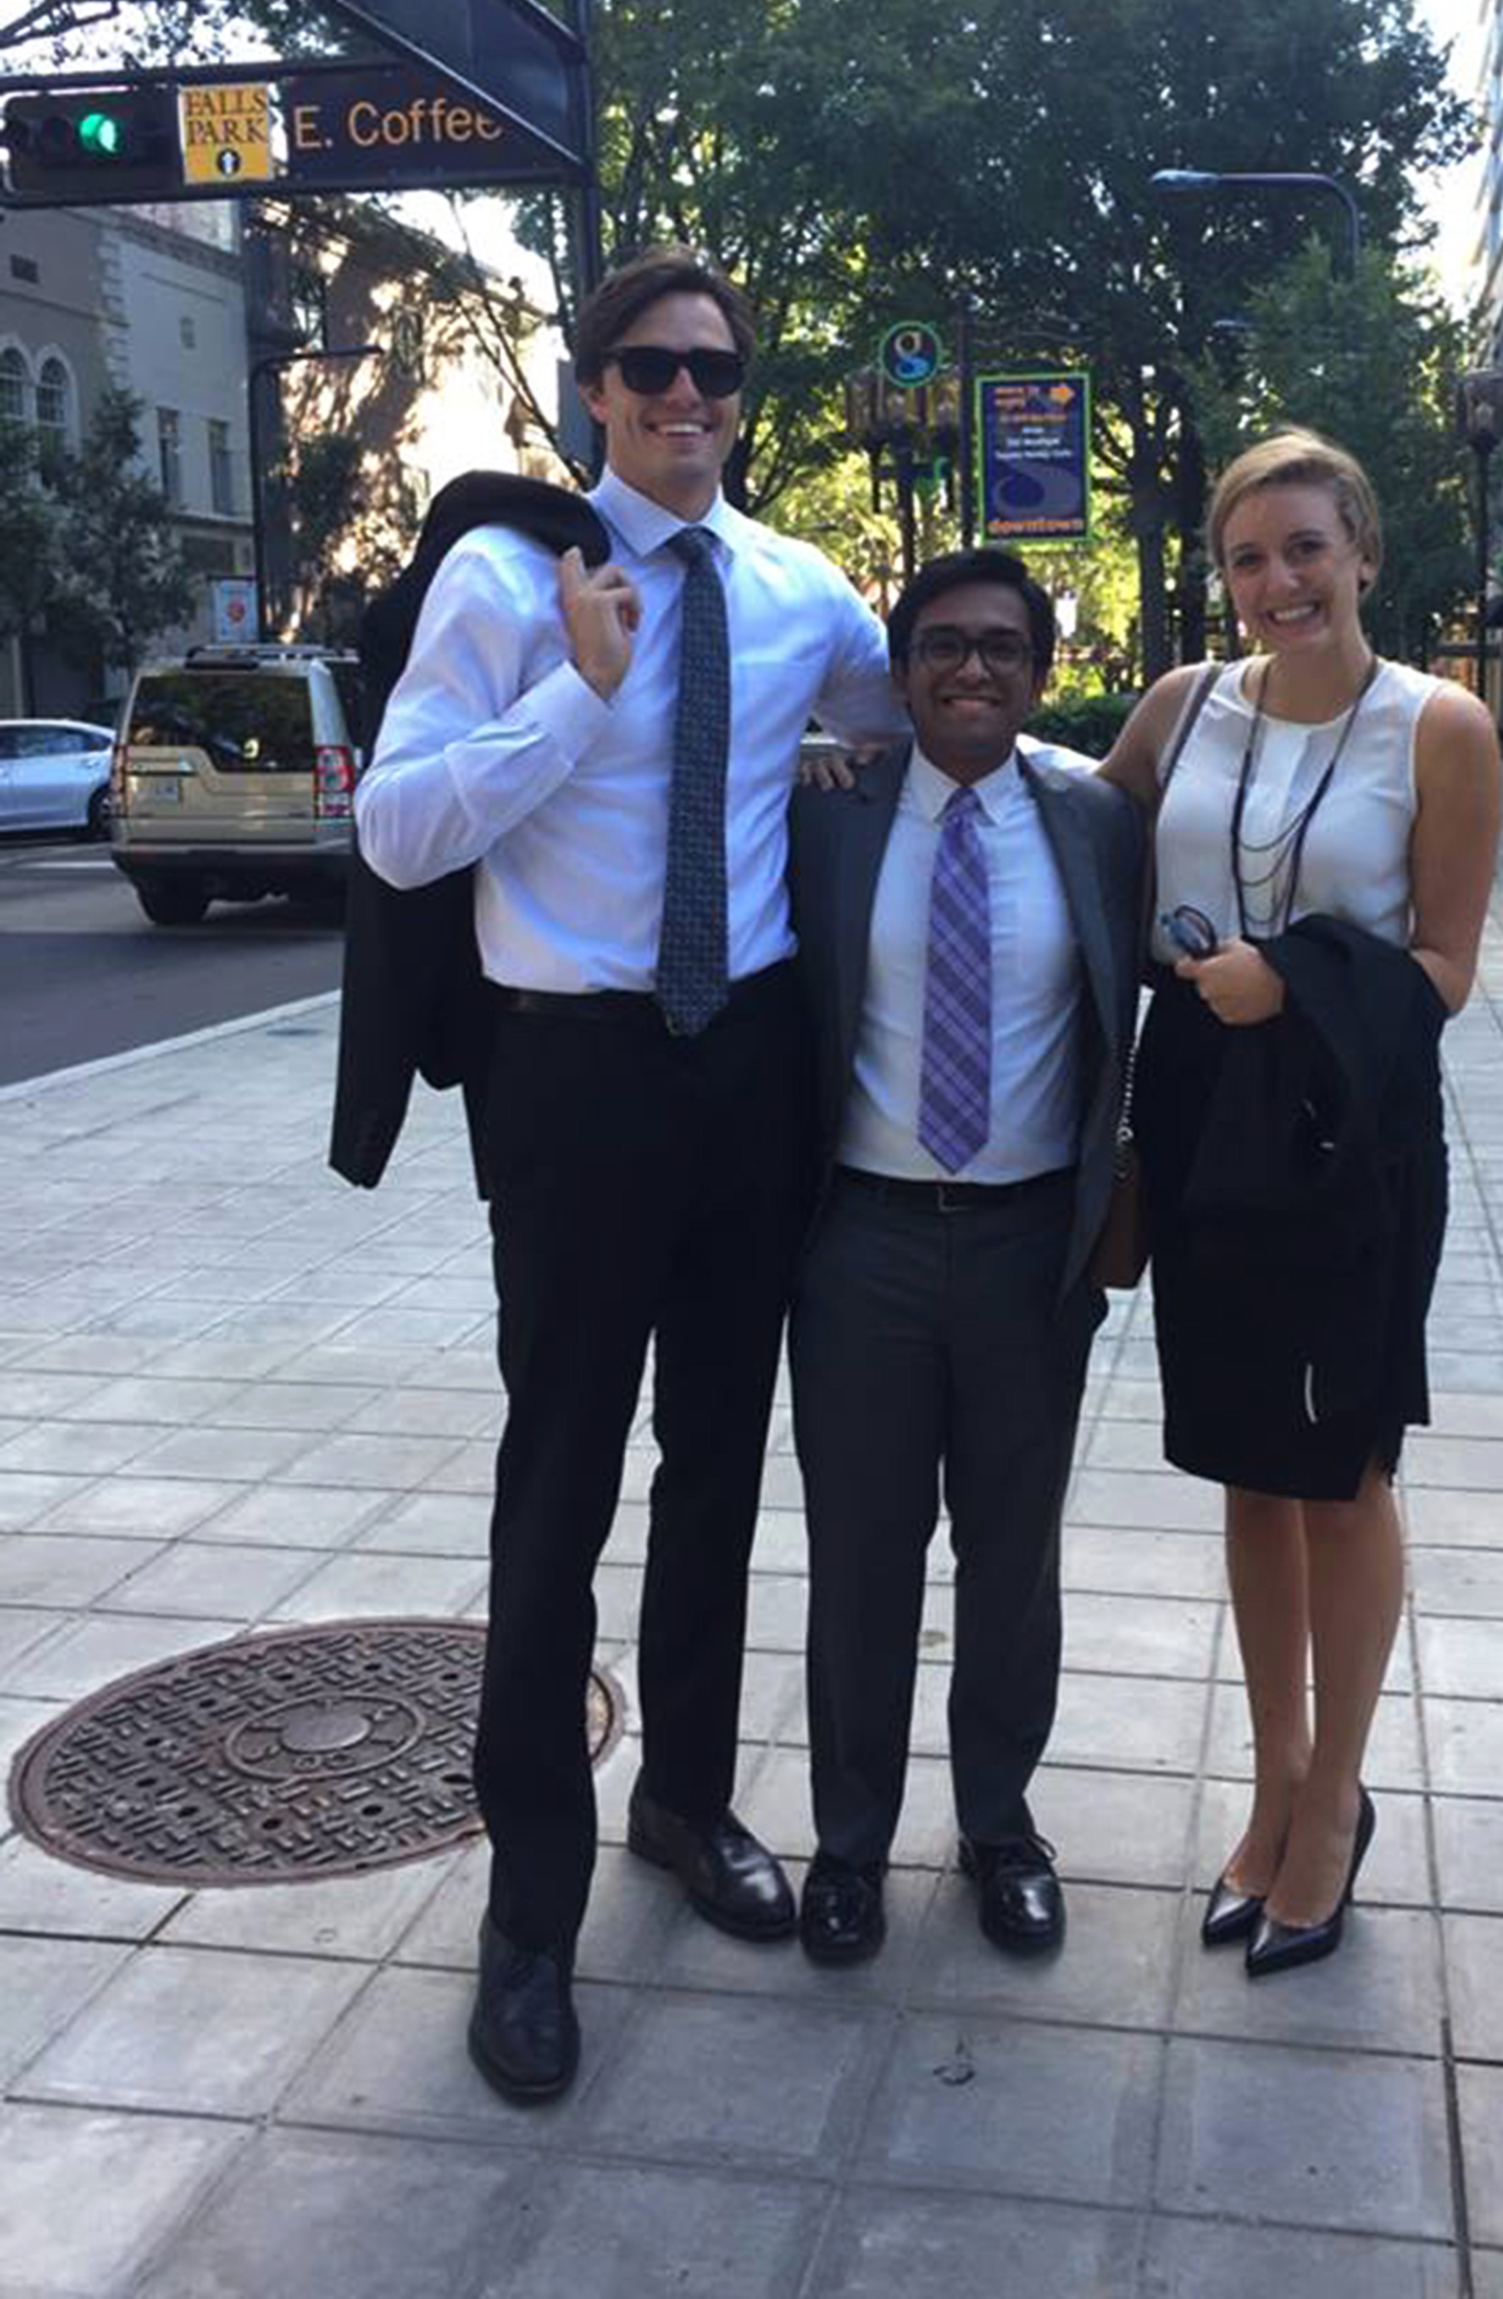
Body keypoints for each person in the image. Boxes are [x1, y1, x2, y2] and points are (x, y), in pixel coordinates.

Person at [353, 246, 903, 2104]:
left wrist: (857, 776)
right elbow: (403, 829)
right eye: (650, 368)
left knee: (721, 1469)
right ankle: (530, 1903)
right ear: (591, 388)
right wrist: (577, 700)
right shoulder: (509, 580)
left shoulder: (797, 587)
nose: (686, 398)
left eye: (717, 372)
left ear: (744, 397)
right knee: (559, 1475)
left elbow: (911, 727)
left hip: (745, 1066)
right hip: (572, 1080)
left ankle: (681, 1795)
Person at [1100, 430, 1500, 1977]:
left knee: (1340, 1467)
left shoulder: (1438, 725)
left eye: (1308, 548)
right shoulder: (1181, 708)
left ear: (1365, 553)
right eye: (1251, 556)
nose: (1280, 582)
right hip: (1202, 1109)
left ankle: (1335, 1801)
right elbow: (1073, 823)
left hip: (1349, 1131)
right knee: (1245, 1470)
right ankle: (1270, 1786)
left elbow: (1449, 967)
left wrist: (1300, 979)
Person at [787, 548, 1142, 1965]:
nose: (973, 668)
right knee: (861, 1560)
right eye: (943, 644)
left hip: (1024, 1252)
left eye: (1002, 645)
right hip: (859, 1243)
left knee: (1012, 1558)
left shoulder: (1100, 818)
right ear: (904, 665)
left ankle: (1000, 1824)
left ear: (1041, 671)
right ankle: (851, 1842)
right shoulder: (826, 813)